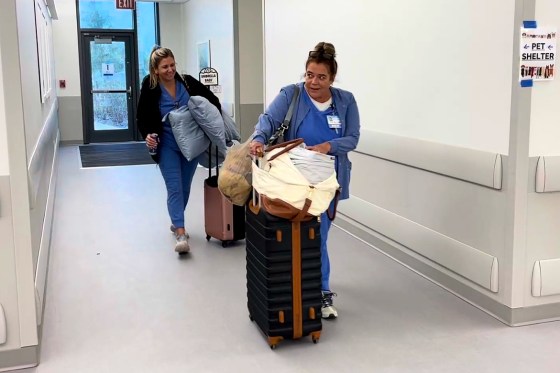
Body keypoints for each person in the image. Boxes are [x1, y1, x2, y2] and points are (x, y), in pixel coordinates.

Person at [249, 42, 360, 319]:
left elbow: (352, 138)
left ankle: (320, 293)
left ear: (332, 78)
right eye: (309, 74)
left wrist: (326, 147)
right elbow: (268, 121)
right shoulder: (292, 94)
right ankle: (293, 290)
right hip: (292, 181)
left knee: (318, 237)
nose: (313, 81)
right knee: (294, 236)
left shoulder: (346, 101)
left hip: (327, 183)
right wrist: (259, 140)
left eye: (321, 77)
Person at [137, 46, 221, 254]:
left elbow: (213, 103)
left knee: (184, 187)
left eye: (172, 65)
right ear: (155, 70)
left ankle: (176, 221)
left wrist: (212, 125)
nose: (170, 70)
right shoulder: (150, 86)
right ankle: (181, 233)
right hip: (166, 145)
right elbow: (143, 116)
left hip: (191, 145)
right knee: (174, 187)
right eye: (164, 66)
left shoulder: (188, 82)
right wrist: (148, 134)